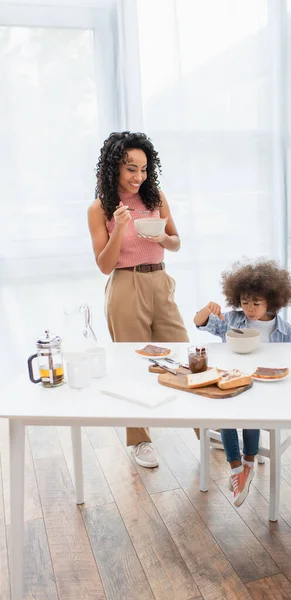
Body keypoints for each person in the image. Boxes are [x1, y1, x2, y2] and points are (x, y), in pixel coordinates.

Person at [88, 131, 189, 468]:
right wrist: (118, 228)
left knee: (182, 356)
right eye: (131, 169)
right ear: (114, 167)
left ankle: (206, 428)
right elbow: (104, 265)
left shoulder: (156, 197)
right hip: (125, 286)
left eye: (144, 169)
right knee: (132, 365)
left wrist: (162, 236)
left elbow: (175, 242)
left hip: (160, 280)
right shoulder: (99, 208)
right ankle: (140, 440)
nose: (138, 177)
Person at [193, 259, 291, 506]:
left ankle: (248, 465)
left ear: (271, 301)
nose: (249, 309)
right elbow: (199, 323)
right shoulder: (232, 320)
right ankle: (237, 468)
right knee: (226, 412)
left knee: (251, 412)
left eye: (256, 303)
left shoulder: (284, 330)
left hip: (266, 390)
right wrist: (207, 309)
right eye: (244, 302)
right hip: (234, 383)